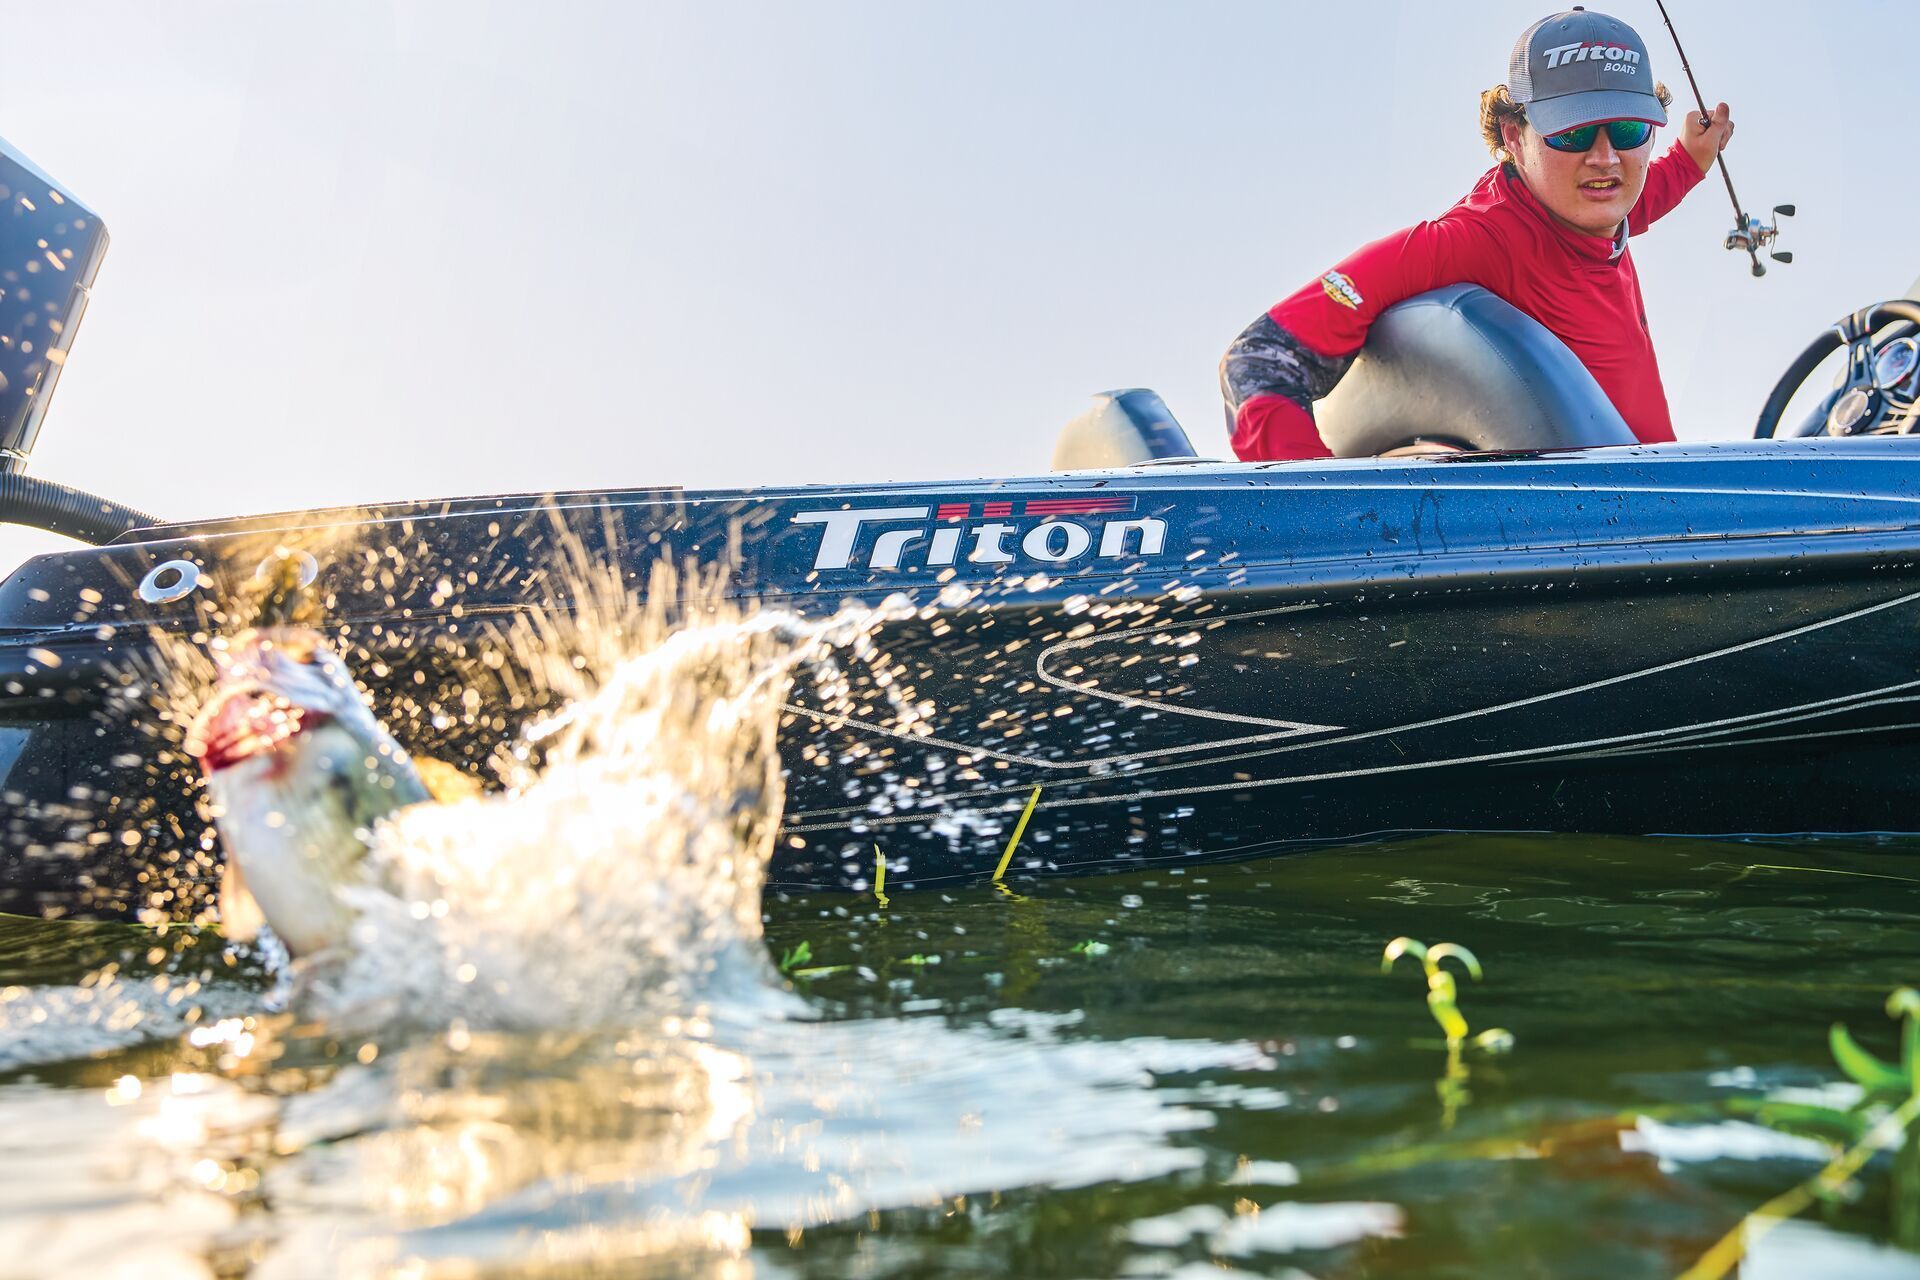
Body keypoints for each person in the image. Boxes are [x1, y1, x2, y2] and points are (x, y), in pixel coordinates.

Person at [1220, 7, 1735, 461]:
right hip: (1591, 545)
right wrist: (1326, 513)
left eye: (1627, 130)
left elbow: (1643, 195)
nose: (1605, 158)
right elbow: (1259, 360)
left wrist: (1691, 160)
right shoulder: (1471, 240)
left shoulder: (1594, 201)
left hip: (1669, 511)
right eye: (1573, 132)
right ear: (1514, 135)